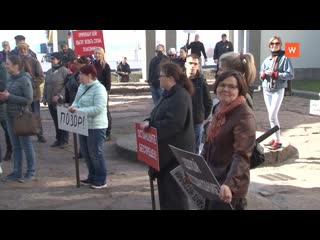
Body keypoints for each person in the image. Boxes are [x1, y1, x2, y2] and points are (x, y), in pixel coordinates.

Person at [140, 62, 195, 210]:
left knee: (175, 196)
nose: (159, 79)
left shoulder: (180, 96)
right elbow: (156, 113)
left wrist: (152, 127)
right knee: (166, 193)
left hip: (176, 156)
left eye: (161, 76)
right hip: (167, 155)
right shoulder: (168, 94)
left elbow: (174, 124)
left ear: (170, 78)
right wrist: (148, 121)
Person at [201, 70, 256, 210]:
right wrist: (198, 169)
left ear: (240, 90)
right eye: (222, 85)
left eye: (231, 86)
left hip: (229, 185)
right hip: (213, 178)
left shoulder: (244, 115)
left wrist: (229, 184)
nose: (225, 89)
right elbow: (209, 143)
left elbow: (242, 155)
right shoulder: (219, 109)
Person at [68, 64, 108, 189]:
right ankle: (92, 176)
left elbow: (98, 108)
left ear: (89, 75)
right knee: (86, 152)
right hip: (83, 124)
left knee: (95, 153)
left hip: (97, 126)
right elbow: (77, 100)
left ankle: (101, 179)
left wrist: (80, 111)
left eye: (81, 74)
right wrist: (74, 107)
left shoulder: (100, 89)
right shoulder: (82, 86)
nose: (79, 76)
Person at [0, 55, 36, 182]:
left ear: (16, 66)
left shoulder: (24, 80)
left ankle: (31, 173)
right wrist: (3, 97)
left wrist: (9, 97)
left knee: (26, 145)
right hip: (10, 116)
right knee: (16, 146)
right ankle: (17, 172)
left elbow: (28, 100)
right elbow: (8, 96)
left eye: (8, 64)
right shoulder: (10, 79)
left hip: (21, 117)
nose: (6, 65)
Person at [260, 36, 294, 150]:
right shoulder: (267, 59)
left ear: (280, 44)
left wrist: (275, 74)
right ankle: (274, 138)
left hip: (278, 89)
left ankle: (278, 141)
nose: (275, 45)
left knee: (272, 116)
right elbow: (261, 72)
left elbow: (290, 74)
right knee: (271, 116)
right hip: (266, 89)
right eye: (272, 43)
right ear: (270, 45)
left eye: (277, 43)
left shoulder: (285, 58)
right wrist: (263, 74)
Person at [18, 42, 46, 143]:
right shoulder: (16, 62)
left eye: (24, 49)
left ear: (27, 49)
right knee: (22, 115)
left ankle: (40, 134)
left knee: (36, 114)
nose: (23, 51)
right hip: (20, 94)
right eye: (21, 49)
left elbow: (41, 77)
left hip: (34, 94)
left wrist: (31, 86)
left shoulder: (34, 61)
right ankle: (25, 134)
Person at [185, 54, 212, 154]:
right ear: (185, 64)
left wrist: (202, 117)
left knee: (195, 149)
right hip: (182, 121)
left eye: (195, 64)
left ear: (198, 66)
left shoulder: (201, 81)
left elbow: (208, 102)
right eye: (190, 63)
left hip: (197, 122)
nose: (192, 66)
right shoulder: (179, 80)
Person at [42, 52, 69, 148]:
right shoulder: (49, 71)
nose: (51, 60)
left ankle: (64, 140)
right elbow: (46, 85)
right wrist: (44, 97)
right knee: (56, 121)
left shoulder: (64, 71)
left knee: (63, 121)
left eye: (53, 58)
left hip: (60, 101)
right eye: (50, 58)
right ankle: (58, 139)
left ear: (59, 60)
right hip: (50, 100)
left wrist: (59, 96)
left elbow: (67, 86)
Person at [93, 47, 112, 141]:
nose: (97, 55)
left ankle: (108, 132)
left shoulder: (105, 66)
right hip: (93, 91)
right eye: (95, 53)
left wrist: (107, 91)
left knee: (105, 111)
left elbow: (108, 81)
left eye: (98, 53)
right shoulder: (92, 65)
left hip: (103, 91)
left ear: (102, 54)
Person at [0, 42, 13, 161]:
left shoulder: (3, 66)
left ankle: (10, 149)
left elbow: (6, 83)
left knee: (6, 126)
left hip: (2, 101)